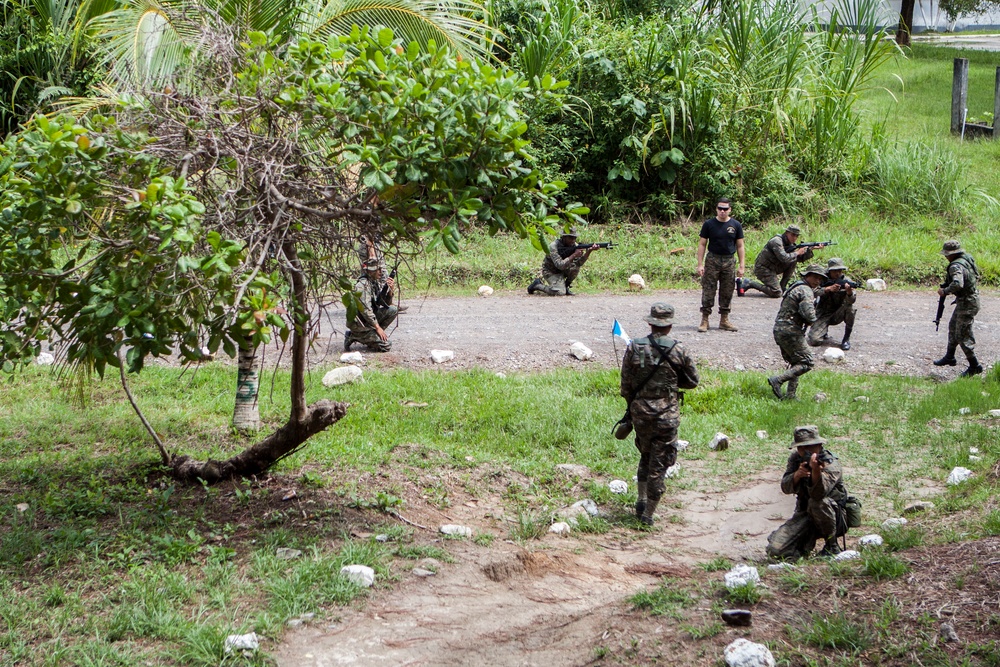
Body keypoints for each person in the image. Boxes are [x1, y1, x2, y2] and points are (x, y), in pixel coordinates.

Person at [619, 303, 699, 526]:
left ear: (650, 322)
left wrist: (633, 408)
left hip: (640, 414)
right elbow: (693, 381)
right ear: (670, 325)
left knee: (645, 455)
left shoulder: (635, 346)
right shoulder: (678, 349)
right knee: (659, 464)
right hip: (667, 416)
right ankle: (648, 515)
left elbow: (626, 385)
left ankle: (641, 499)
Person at [766, 425, 848, 560]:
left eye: (809, 447)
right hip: (805, 515)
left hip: (832, 516)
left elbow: (819, 495)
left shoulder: (830, 463)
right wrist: (797, 475)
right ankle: (801, 547)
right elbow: (785, 487)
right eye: (801, 447)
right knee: (775, 549)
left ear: (819, 445)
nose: (805, 451)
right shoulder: (796, 459)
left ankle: (832, 546)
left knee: (817, 503)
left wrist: (816, 472)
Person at [768, 264, 827, 400]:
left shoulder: (796, 286)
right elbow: (809, 314)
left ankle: (791, 395)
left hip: (780, 329)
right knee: (807, 362)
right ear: (807, 276)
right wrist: (815, 321)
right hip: (791, 331)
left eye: (820, 279)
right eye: (815, 278)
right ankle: (777, 380)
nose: (817, 281)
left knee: (796, 362)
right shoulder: (806, 291)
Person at [695, 198, 746, 333]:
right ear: (716, 209)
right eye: (720, 208)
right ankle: (705, 320)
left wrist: (742, 265)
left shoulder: (736, 225)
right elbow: (702, 244)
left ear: (730, 210)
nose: (722, 211)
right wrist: (700, 264)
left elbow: (740, 246)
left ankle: (724, 320)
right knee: (708, 289)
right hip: (712, 260)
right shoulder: (709, 224)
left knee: (727, 290)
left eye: (725, 209)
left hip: (729, 260)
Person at [934, 240, 983, 377]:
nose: (945, 257)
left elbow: (958, 284)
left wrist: (945, 291)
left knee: (963, 334)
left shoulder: (955, 266)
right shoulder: (967, 259)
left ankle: (974, 365)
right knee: (953, 326)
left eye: (946, 255)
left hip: (967, 304)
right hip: (967, 301)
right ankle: (950, 356)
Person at [741, 224, 814, 298]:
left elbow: (799, 259)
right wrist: (797, 252)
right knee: (776, 293)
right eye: (793, 235)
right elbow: (784, 258)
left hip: (774, 267)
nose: (794, 238)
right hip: (763, 268)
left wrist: (809, 250)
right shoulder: (776, 241)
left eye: (797, 236)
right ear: (787, 233)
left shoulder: (790, 244)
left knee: (793, 260)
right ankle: (750, 283)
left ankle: (783, 286)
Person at [344, 258, 398, 352]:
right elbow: (366, 310)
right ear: (370, 271)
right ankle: (353, 336)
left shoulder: (373, 282)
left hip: (367, 321)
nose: (381, 272)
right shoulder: (362, 286)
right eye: (378, 270)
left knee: (393, 310)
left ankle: (372, 336)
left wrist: (390, 290)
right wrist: (378, 328)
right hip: (360, 324)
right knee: (386, 345)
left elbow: (385, 304)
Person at [527, 228, 601, 296]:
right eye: (570, 238)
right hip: (550, 271)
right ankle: (537, 285)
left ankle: (566, 286)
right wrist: (574, 255)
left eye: (575, 238)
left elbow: (579, 263)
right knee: (559, 292)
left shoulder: (574, 245)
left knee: (575, 267)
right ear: (564, 237)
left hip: (563, 270)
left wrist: (589, 252)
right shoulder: (554, 246)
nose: (573, 240)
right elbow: (559, 265)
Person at [807, 257, 857, 351]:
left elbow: (852, 300)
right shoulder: (821, 279)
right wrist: (827, 289)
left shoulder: (846, 281)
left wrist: (849, 293)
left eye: (840, 270)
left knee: (851, 309)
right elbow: (811, 292)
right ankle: (823, 331)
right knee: (814, 341)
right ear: (829, 271)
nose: (838, 273)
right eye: (835, 271)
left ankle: (846, 339)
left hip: (838, 312)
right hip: (822, 312)